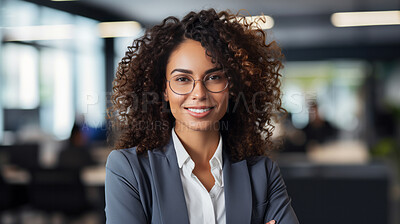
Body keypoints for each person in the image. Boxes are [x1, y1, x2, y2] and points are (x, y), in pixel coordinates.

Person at [105, 9, 299, 224]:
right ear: (164, 90)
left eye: (214, 77)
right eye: (182, 79)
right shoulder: (129, 169)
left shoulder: (262, 172)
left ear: (231, 86)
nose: (199, 93)